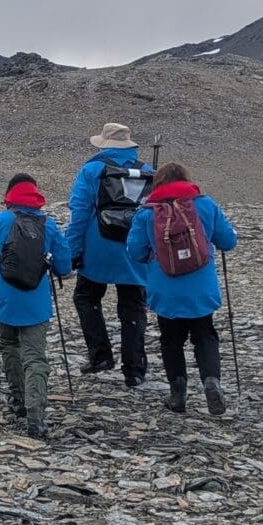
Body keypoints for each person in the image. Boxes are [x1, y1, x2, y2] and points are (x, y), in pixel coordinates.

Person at [0, 173, 73, 440]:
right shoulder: (48, 225)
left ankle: (17, 399)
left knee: (9, 346)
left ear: (9, 195)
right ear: (35, 195)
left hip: (4, 299)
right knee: (35, 356)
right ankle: (35, 415)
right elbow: (64, 266)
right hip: (36, 301)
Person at [137, 162, 239, 416]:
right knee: (205, 335)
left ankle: (178, 393)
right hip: (200, 287)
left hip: (166, 289)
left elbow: (135, 251)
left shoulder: (147, 212)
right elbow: (228, 241)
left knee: (171, 339)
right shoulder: (205, 204)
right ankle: (211, 381)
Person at [65, 121, 156, 388]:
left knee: (86, 297)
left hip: (98, 247)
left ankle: (100, 355)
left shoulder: (92, 170)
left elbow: (79, 213)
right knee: (133, 307)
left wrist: (73, 251)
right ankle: (135, 369)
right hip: (135, 250)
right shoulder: (148, 172)